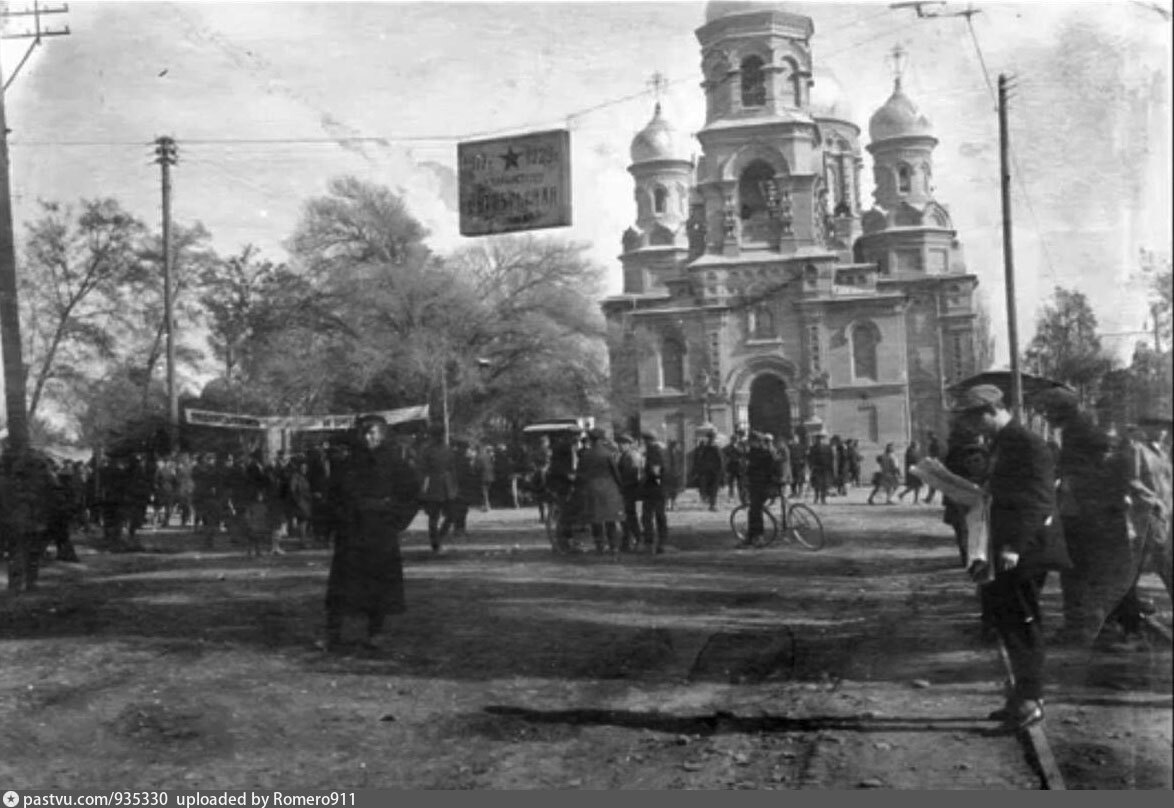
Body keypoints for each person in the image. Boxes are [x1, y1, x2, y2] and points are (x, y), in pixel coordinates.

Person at [953, 385, 1069, 731]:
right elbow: (1011, 493)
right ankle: (1021, 697)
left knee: (1023, 624)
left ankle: (1032, 700)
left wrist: (1013, 546)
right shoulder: (1005, 442)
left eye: (975, 419)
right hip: (1007, 547)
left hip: (1024, 550)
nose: (974, 428)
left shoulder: (1025, 443)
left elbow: (1037, 500)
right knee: (1008, 622)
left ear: (990, 410)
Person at [1033, 389, 1143, 650]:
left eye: (1049, 411)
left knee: (1083, 575)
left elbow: (1086, 472)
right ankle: (1101, 628)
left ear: (1062, 410)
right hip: (1094, 513)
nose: (1047, 418)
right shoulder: (1085, 429)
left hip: (1090, 516)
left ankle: (1089, 630)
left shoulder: (1080, 432)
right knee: (1096, 574)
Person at [324, 414, 420, 652]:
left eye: (373, 433)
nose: (368, 438)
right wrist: (341, 517)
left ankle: (375, 632)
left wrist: (395, 519)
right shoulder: (348, 464)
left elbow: (411, 496)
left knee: (379, 583)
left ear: (383, 434)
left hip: (380, 530)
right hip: (352, 529)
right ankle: (333, 633)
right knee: (343, 583)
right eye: (364, 433)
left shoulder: (396, 464)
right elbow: (333, 495)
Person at [573, 427, 625, 555]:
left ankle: (600, 545)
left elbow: (580, 475)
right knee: (610, 519)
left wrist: (578, 488)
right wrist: (621, 487)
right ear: (602, 439)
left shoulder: (585, 455)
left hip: (591, 490)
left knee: (595, 520)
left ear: (590, 439)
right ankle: (613, 546)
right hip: (608, 490)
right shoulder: (608, 454)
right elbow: (616, 473)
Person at [418, 424, 457, 554]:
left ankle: (439, 538)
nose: (439, 437)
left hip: (447, 486)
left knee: (451, 515)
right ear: (432, 436)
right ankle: (435, 544)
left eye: (441, 434)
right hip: (433, 486)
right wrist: (422, 488)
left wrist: (455, 486)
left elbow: (452, 468)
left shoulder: (448, 449)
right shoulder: (427, 451)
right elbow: (422, 470)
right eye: (437, 435)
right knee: (433, 517)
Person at [741, 432, 779, 547]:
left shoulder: (761, 454)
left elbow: (772, 469)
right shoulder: (758, 453)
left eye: (752, 441)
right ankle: (751, 536)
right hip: (757, 485)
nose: (751, 444)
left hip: (761, 486)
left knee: (755, 510)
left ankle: (758, 537)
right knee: (753, 510)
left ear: (756, 442)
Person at [640, 431, 669, 554]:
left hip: (654, 489)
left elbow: (655, 471)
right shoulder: (662, 450)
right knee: (659, 516)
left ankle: (651, 542)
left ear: (648, 440)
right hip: (660, 488)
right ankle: (660, 542)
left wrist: (646, 478)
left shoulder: (654, 451)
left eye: (645, 441)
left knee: (649, 516)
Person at [615, 434, 645, 552]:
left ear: (628, 444)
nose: (619, 446)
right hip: (626, 490)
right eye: (619, 444)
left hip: (629, 490)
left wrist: (622, 486)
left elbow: (632, 476)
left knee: (630, 517)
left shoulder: (632, 456)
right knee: (626, 517)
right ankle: (627, 541)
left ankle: (636, 539)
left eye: (622, 444)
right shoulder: (626, 455)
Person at [692, 431, 725, 511]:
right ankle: (712, 504)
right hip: (713, 472)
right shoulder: (715, 448)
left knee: (709, 488)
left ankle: (710, 503)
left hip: (707, 471)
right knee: (713, 488)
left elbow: (701, 460)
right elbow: (720, 461)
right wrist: (721, 472)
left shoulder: (705, 448)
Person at [806, 431, 835, 505]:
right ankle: (816, 498)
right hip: (816, 468)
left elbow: (831, 458)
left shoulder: (828, 448)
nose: (820, 440)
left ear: (824, 439)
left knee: (824, 485)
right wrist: (811, 466)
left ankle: (823, 499)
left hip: (825, 468)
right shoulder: (812, 448)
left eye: (821, 439)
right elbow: (809, 458)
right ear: (816, 439)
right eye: (818, 439)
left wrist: (831, 468)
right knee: (816, 485)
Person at [923, 432, 944, 504]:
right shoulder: (935, 443)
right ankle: (929, 498)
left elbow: (934, 454)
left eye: (928, 437)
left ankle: (929, 498)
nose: (927, 438)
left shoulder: (934, 444)